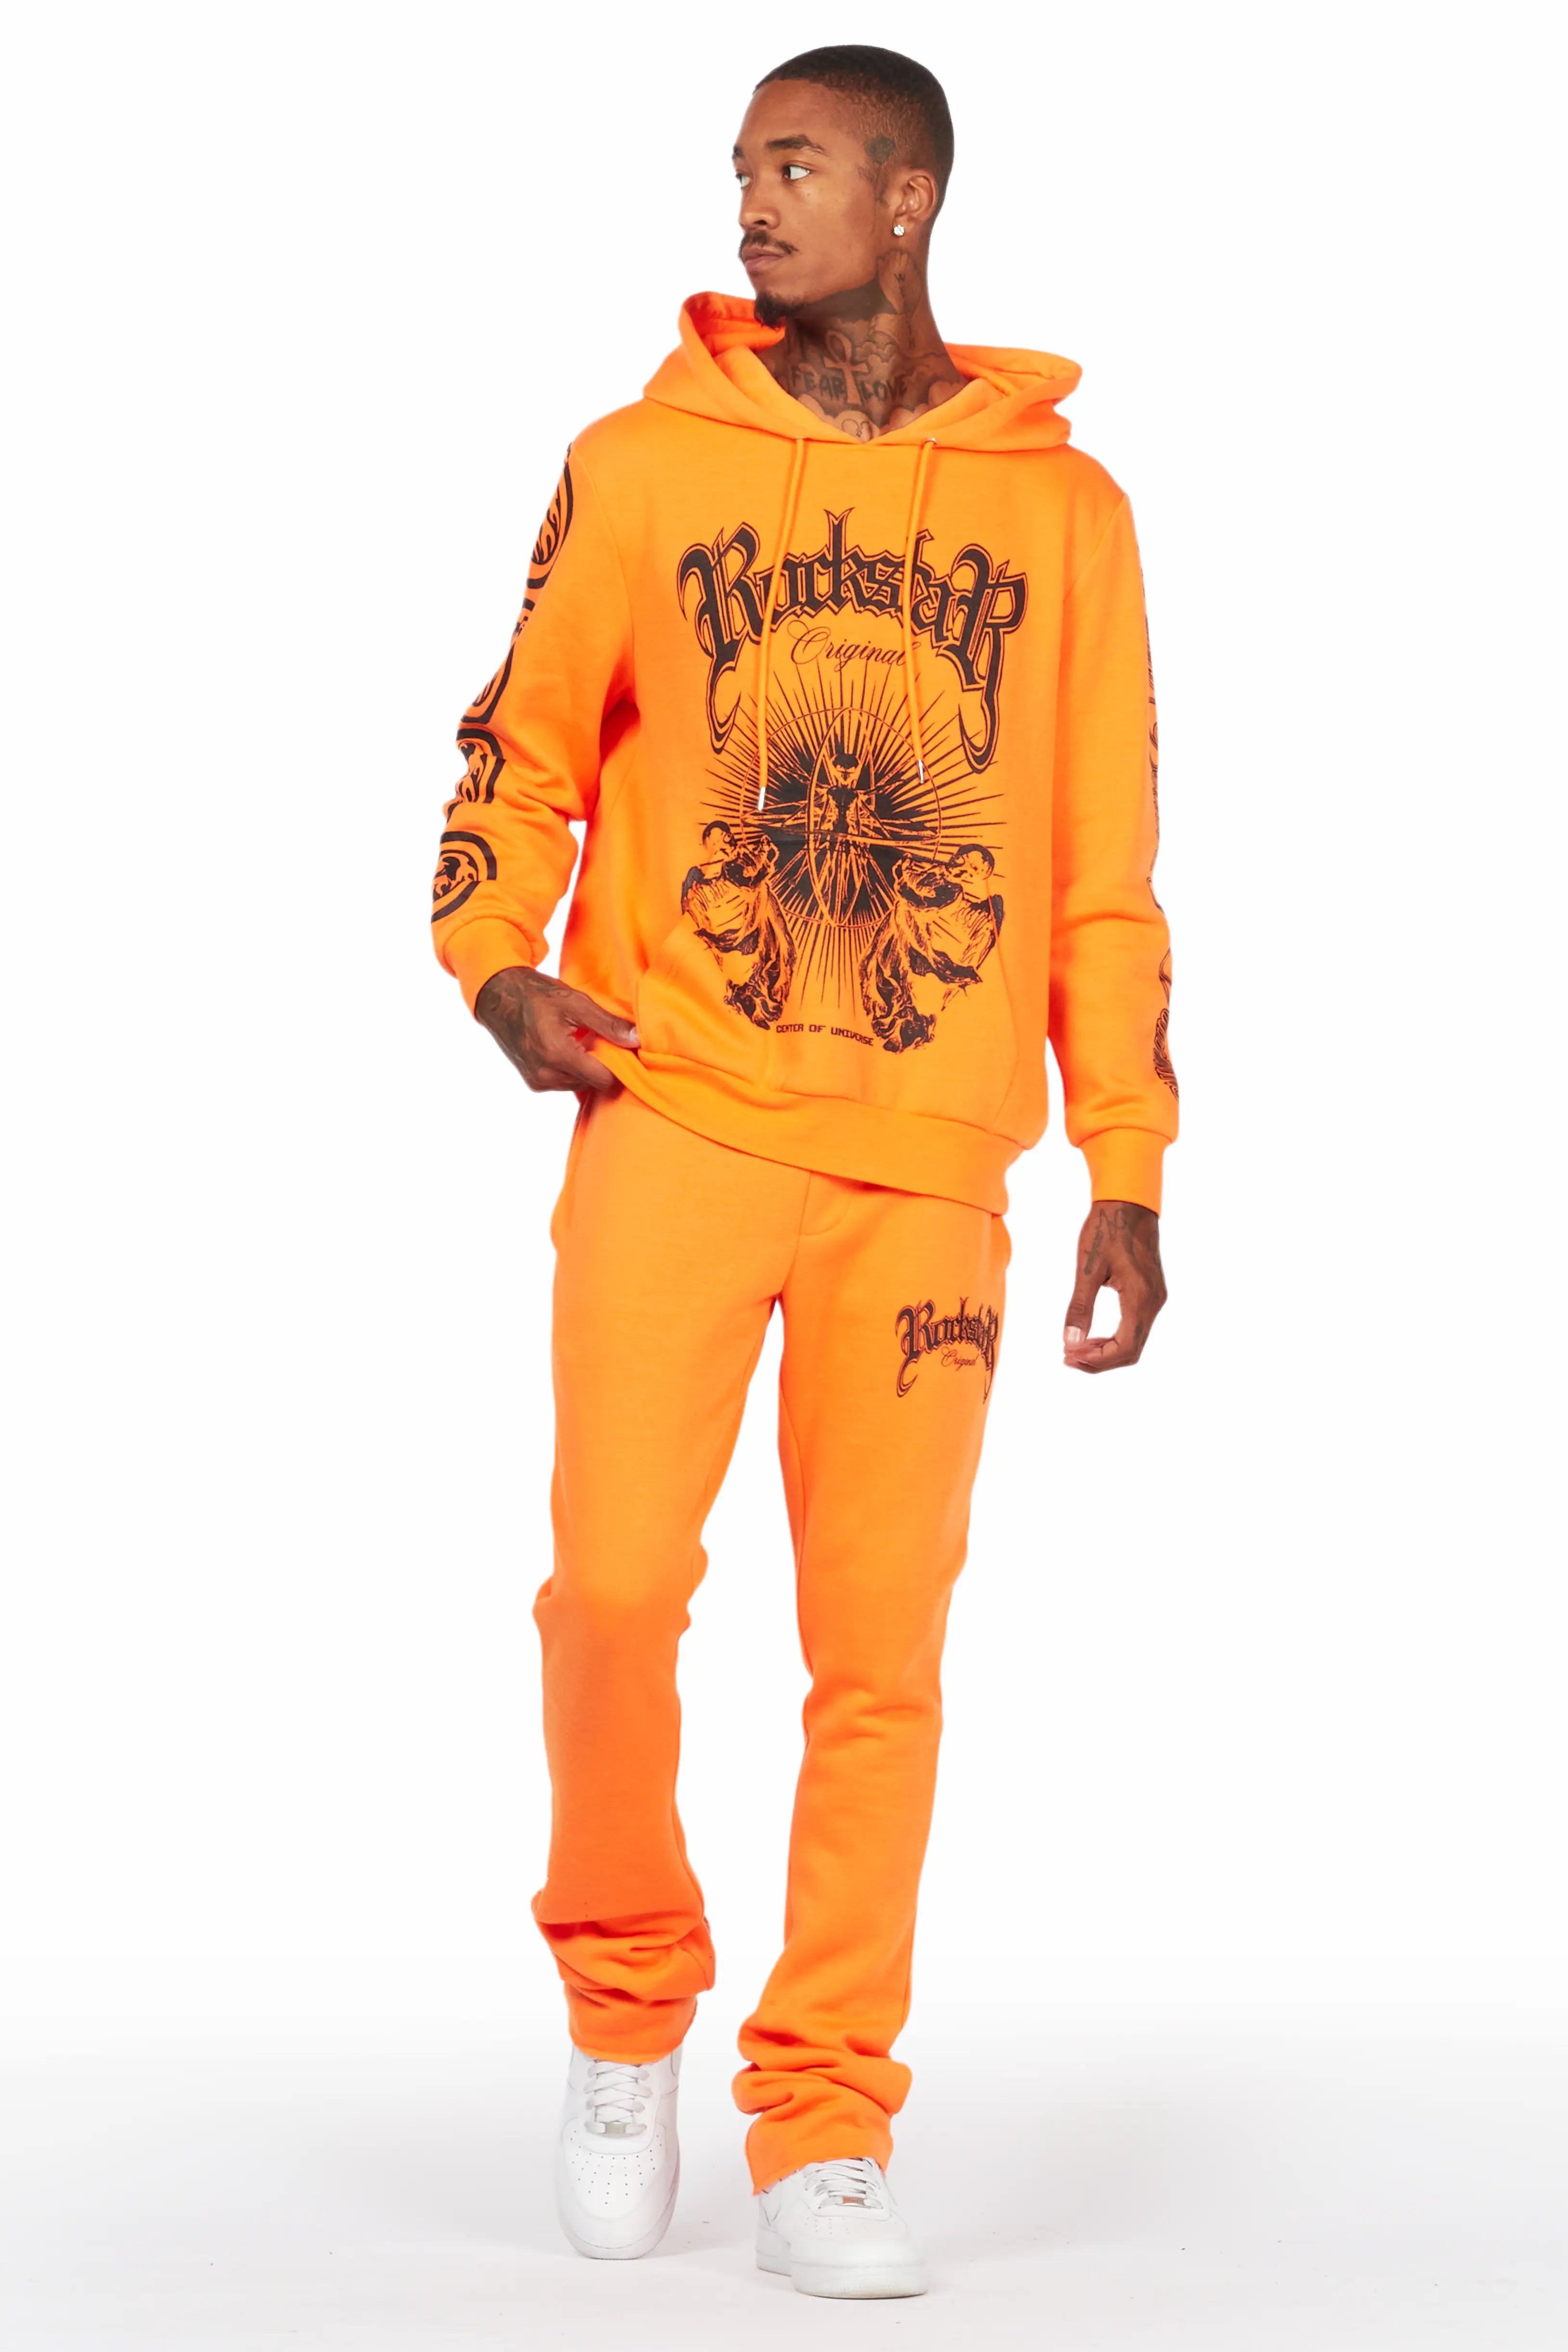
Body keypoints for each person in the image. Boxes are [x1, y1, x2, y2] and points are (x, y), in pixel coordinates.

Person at [431, 43, 1176, 2300]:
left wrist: (1125, 1161)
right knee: (609, 1593)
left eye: (794, 166)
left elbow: (1103, 867)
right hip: (671, 1107)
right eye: (740, 168)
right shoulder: (642, 461)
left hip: (927, 1163)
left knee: (878, 1657)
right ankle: (620, 2002)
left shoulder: (1067, 516)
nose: (750, 206)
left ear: (906, 195)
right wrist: (496, 964)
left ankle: (827, 2111)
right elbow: (516, 749)